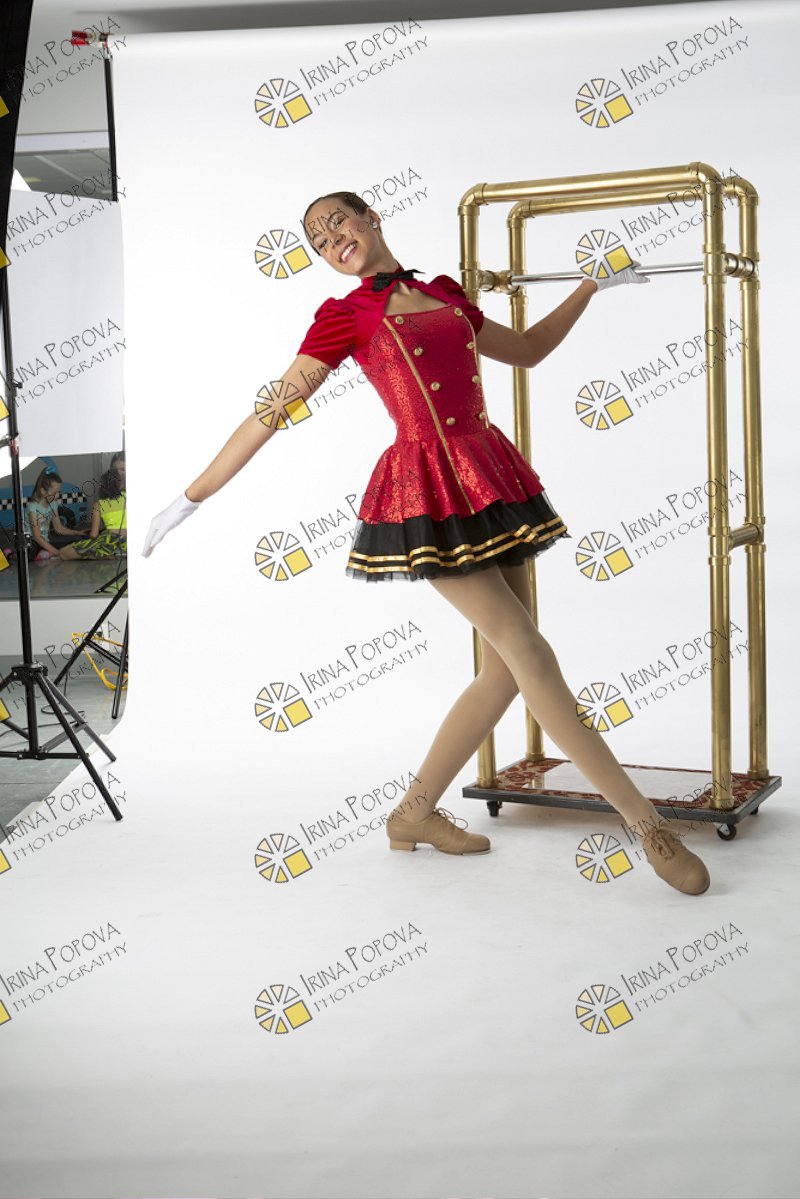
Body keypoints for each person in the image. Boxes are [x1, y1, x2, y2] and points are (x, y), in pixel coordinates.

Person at [143, 190, 710, 896]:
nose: (331, 240)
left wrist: (591, 285)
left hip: (490, 478)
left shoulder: (443, 292)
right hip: (428, 493)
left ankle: (412, 814)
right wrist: (191, 496)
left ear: (371, 218)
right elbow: (273, 409)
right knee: (530, 653)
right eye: (319, 240)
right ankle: (647, 826)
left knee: (506, 671)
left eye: (337, 222)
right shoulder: (344, 316)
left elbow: (528, 351)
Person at [59, 457, 127, 560]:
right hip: (128, 541)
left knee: (63, 553)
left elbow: (94, 534)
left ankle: (98, 555)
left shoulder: (98, 505)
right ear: (120, 484)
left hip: (109, 541)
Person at [22, 467, 85, 561]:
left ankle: (46, 552)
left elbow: (59, 529)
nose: (58, 495)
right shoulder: (33, 508)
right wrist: (59, 553)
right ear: (43, 491)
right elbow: (37, 537)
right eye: (55, 493)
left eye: (59, 492)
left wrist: (77, 533)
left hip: (46, 540)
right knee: (30, 552)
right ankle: (12, 555)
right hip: (33, 542)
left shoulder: (53, 504)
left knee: (77, 540)